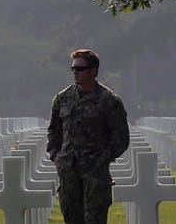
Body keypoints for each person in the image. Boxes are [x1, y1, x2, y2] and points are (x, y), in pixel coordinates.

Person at [45, 48, 130, 224]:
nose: (75, 72)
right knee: (72, 218)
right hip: (68, 172)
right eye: (73, 68)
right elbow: (54, 130)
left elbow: (121, 138)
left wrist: (101, 159)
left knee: (95, 219)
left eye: (80, 69)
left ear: (93, 71)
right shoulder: (62, 98)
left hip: (95, 175)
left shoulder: (109, 100)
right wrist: (55, 156)